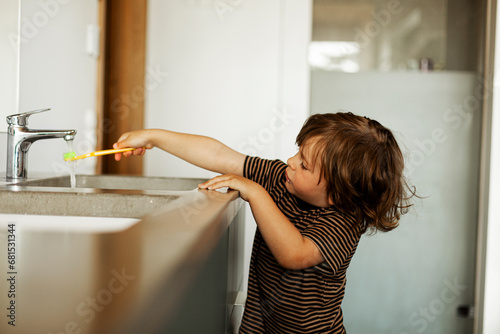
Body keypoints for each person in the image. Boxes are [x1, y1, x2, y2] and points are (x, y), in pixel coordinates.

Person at [113, 112, 415, 334]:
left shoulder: (343, 224)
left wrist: (255, 193)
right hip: (261, 325)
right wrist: (154, 137)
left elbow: (294, 253)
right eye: (298, 152)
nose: (291, 161)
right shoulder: (282, 178)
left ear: (338, 193)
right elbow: (219, 154)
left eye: (305, 164)